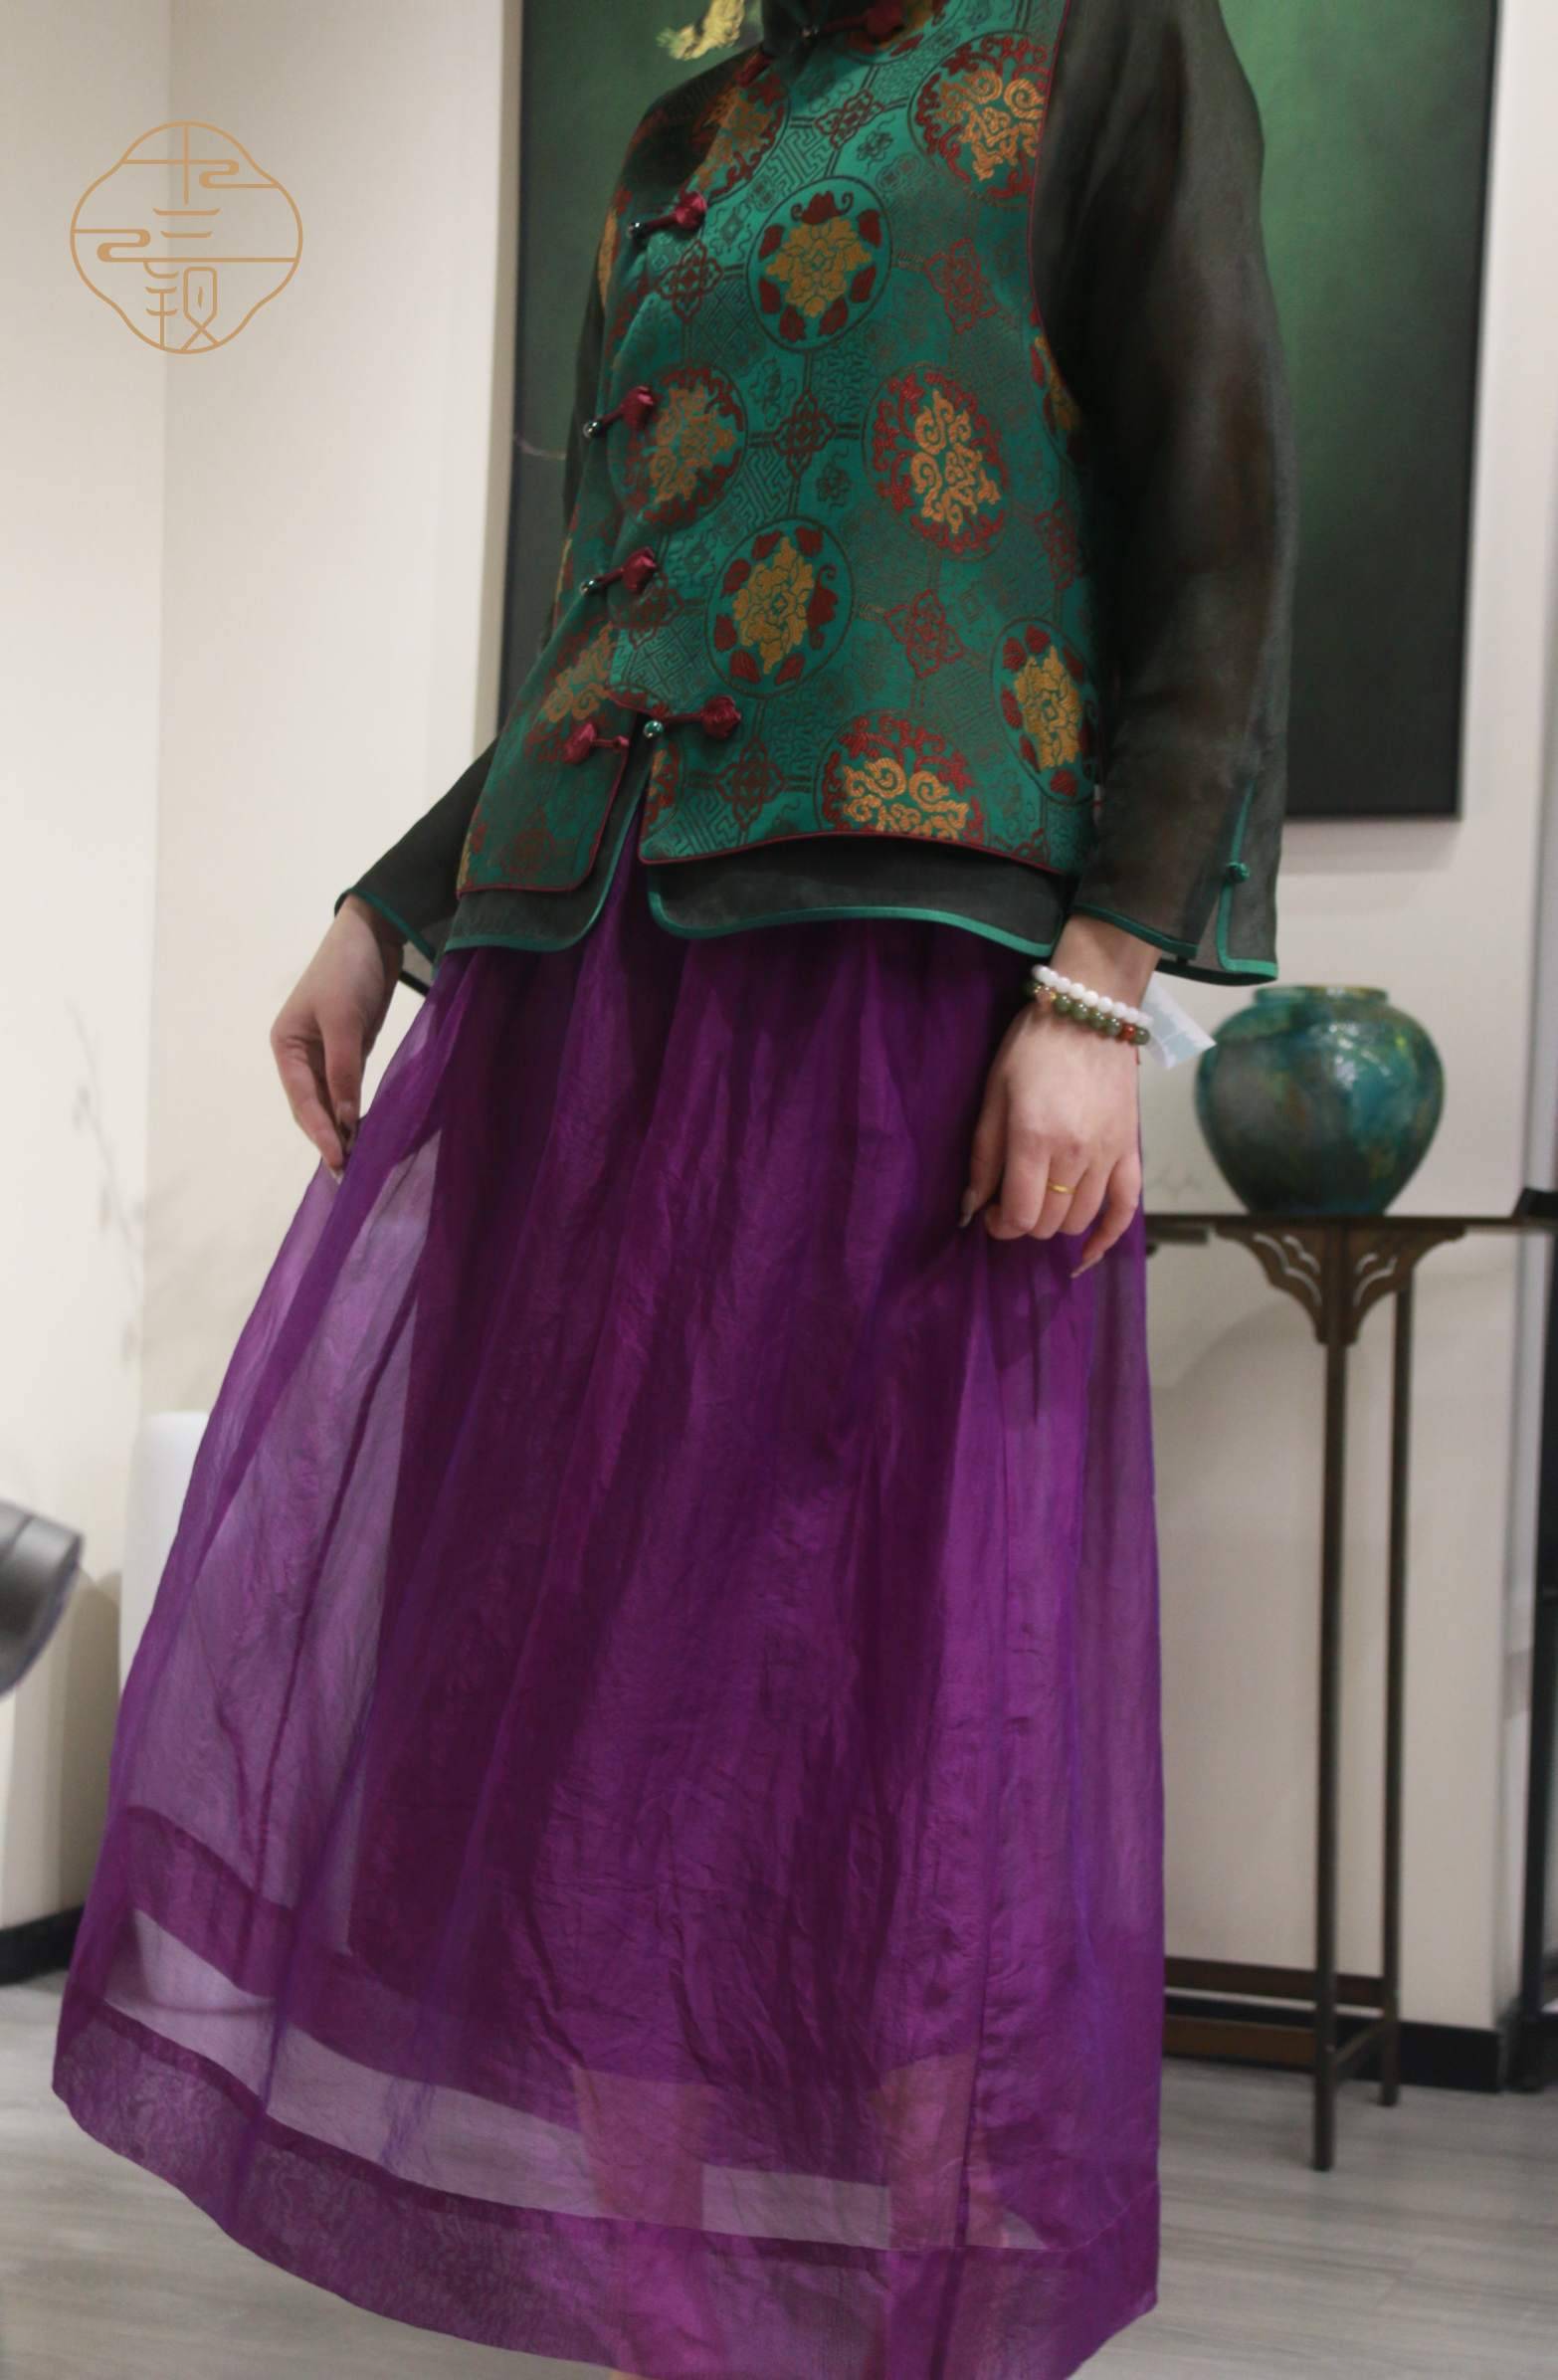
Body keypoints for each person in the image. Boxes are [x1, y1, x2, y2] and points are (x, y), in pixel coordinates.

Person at [54, 2, 1296, 2373]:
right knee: (606, 1724)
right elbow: (613, 611)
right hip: (593, 990)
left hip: (894, 993)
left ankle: (874, 2324)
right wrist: (393, 899)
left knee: (871, 1697)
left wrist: (1106, 978)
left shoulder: (1106, 37)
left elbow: (1217, 535)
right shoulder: (689, 130)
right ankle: (665, 2302)